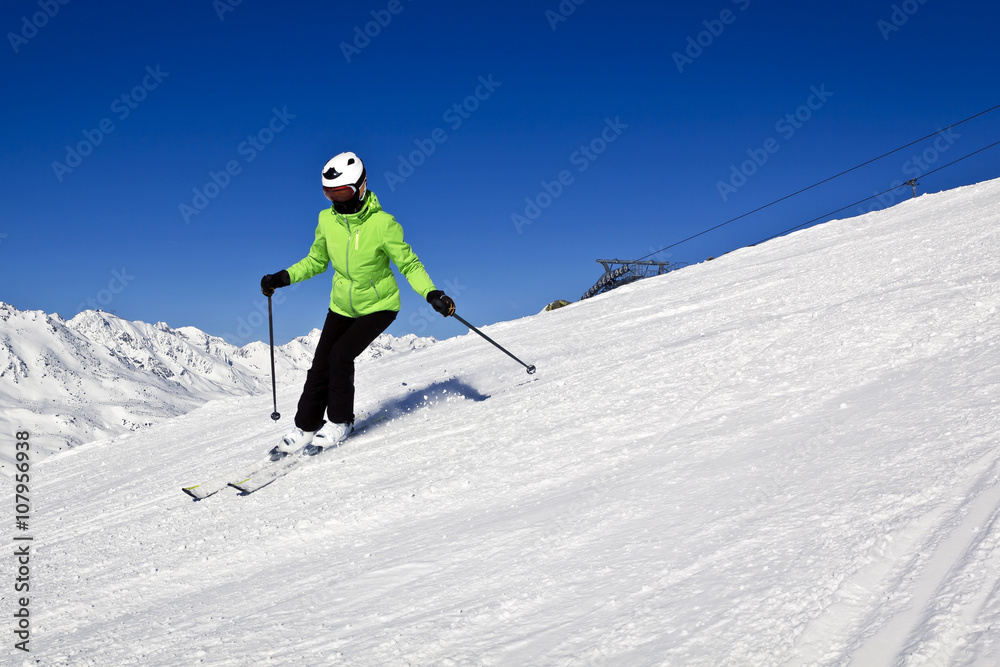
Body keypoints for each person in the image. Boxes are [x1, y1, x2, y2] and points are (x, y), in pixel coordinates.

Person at [260, 151, 455, 455]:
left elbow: (409, 265)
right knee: (319, 365)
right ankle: (306, 426)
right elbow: (316, 261)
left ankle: (340, 421)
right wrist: (282, 277)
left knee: (340, 356)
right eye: (330, 193)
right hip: (342, 306)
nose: (337, 200)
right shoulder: (327, 220)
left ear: (361, 187)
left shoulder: (383, 224)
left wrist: (432, 294)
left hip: (379, 306)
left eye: (343, 192)